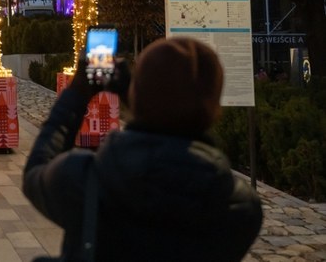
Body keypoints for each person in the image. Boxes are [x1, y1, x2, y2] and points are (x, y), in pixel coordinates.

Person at [23, 37, 262, 262]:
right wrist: (137, 97)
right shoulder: (238, 205)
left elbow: (36, 171)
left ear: (137, 93)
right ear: (214, 109)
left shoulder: (86, 180)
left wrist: (77, 93)